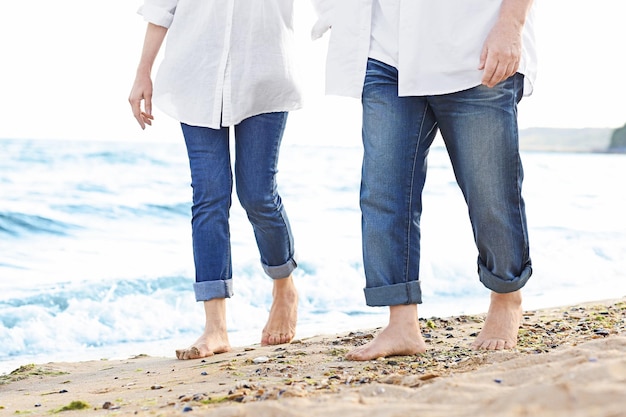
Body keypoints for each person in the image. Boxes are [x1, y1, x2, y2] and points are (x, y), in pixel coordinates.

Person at [312, 0, 537, 360]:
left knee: (489, 187)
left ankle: (506, 296)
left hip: (473, 49)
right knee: (383, 191)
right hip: (384, 52)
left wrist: (511, 24)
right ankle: (401, 322)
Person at [128, 0, 303, 360]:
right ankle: (215, 328)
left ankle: (284, 286)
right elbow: (162, 9)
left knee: (258, 194)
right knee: (209, 195)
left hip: (264, 74)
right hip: (196, 76)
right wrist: (142, 72)